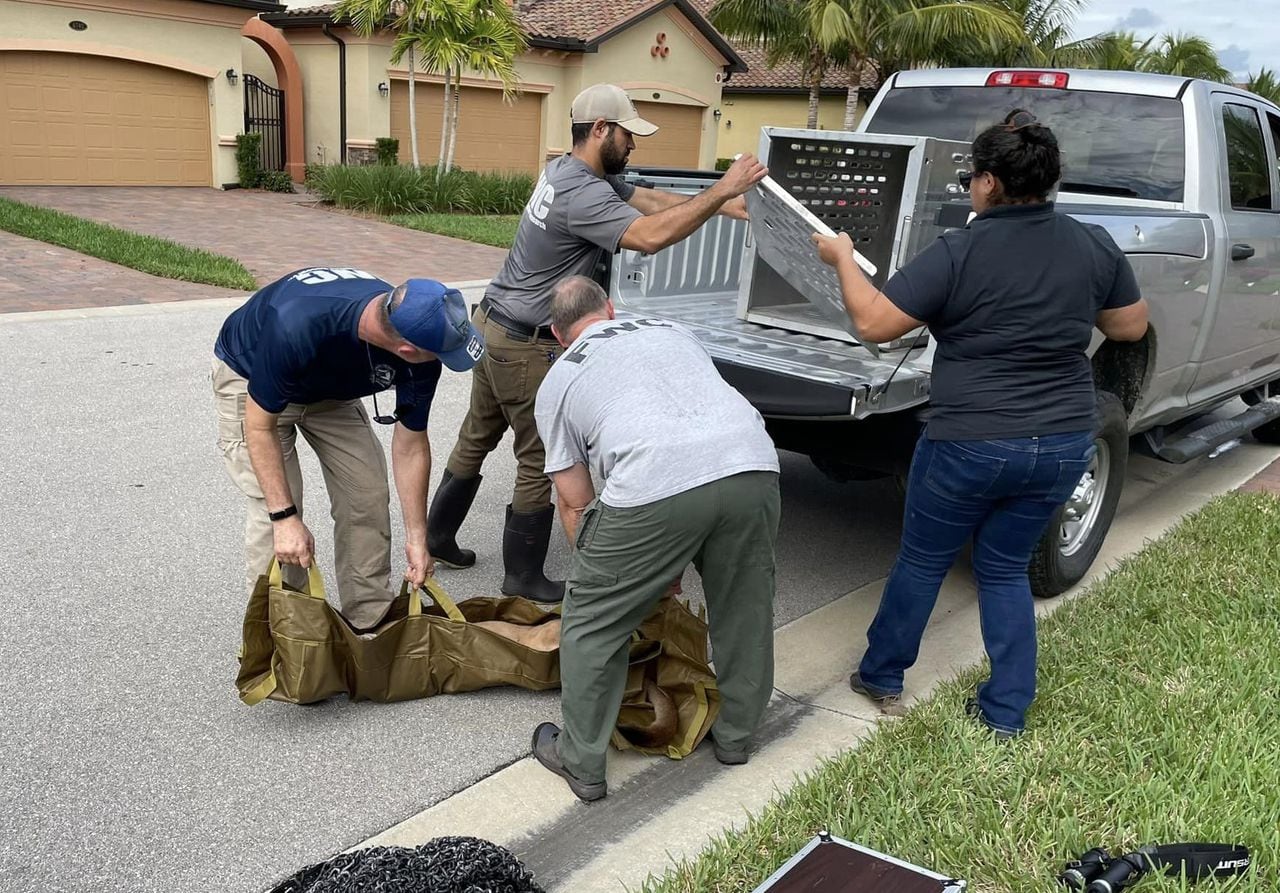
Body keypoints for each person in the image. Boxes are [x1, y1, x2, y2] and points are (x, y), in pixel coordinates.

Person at [811, 110, 1149, 739]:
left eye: (973, 177)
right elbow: (1129, 326)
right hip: (1063, 443)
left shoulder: (958, 251)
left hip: (970, 441)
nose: (970, 185)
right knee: (1003, 567)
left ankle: (881, 675)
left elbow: (875, 325)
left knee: (923, 560)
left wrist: (842, 258)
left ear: (990, 183)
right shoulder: (1093, 243)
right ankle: (1005, 711)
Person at [425, 83, 768, 603]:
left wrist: (724, 207)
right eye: (629, 135)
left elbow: (646, 199)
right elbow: (649, 236)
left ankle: (438, 537)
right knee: (539, 459)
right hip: (526, 346)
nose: (634, 146)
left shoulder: (569, 171)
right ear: (602, 130)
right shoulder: (584, 193)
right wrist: (719, 191)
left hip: (493, 325)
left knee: (475, 437)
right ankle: (522, 576)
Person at [527, 275, 781, 802]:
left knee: (593, 622)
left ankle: (582, 762)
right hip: (752, 465)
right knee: (744, 605)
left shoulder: (560, 379)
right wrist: (663, 564)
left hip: (653, 482)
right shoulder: (672, 330)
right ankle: (735, 738)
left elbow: (575, 501)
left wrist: (619, 583)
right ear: (611, 310)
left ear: (557, 334)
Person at [211, 268, 485, 631]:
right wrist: (285, 518)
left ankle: (370, 620)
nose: (444, 361)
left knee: (367, 493)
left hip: (329, 390)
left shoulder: (416, 334)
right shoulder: (297, 325)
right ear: (406, 351)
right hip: (253, 381)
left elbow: (411, 443)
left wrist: (419, 539)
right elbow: (259, 427)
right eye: (443, 354)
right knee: (276, 509)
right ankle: (282, 637)